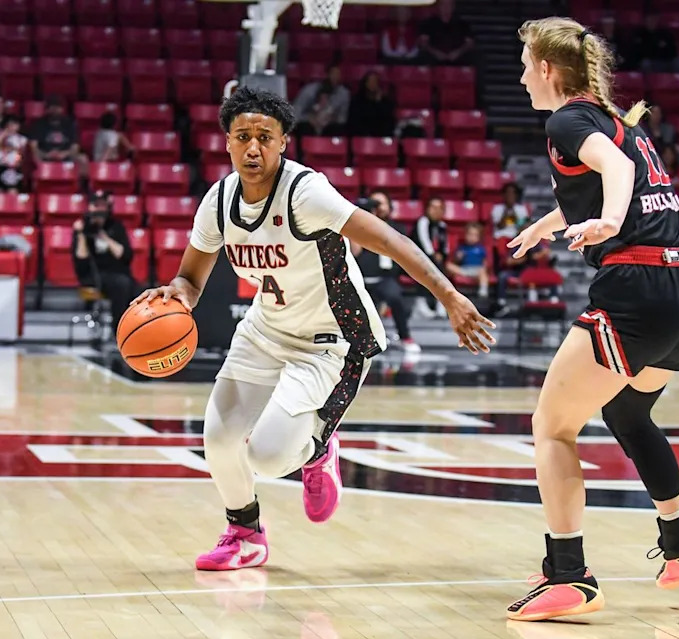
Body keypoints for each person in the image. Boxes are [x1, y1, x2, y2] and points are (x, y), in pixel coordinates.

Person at [131, 86, 494, 572]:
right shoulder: (218, 201)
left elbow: (389, 240)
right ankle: (245, 534)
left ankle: (319, 447)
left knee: (266, 456)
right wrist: (176, 295)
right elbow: (191, 278)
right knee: (217, 438)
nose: (253, 147)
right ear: (228, 142)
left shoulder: (306, 193)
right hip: (265, 329)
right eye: (243, 136)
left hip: (331, 339)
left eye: (265, 136)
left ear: (283, 143)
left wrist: (449, 295)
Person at [505, 17, 679, 622]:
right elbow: (606, 180)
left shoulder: (567, 120)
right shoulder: (615, 121)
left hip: (639, 291)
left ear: (548, 69)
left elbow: (617, 180)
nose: (521, 77)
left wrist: (607, 223)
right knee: (626, 410)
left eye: (525, 65)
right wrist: (547, 225)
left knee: (551, 425)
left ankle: (568, 574)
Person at [351, 192, 419, 353]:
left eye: (381, 204)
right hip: (361, 278)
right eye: (374, 204)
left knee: (394, 296)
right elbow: (355, 252)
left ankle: (405, 337)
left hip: (385, 278)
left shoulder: (397, 229)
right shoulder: (359, 226)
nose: (378, 208)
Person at [72, 190, 136, 336]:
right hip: (93, 275)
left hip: (117, 272)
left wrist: (104, 236)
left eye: (102, 206)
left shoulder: (116, 226)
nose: (99, 211)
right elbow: (81, 263)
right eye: (96, 206)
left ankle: (133, 330)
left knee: (133, 286)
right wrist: (82, 234)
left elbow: (126, 256)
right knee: (122, 284)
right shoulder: (83, 228)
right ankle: (119, 332)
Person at [412, 197, 449, 318]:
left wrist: (441, 255)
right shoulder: (422, 222)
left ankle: (442, 303)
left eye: (439, 208)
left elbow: (445, 247)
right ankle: (420, 304)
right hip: (414, 258)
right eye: (433, 207)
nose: (435, 211)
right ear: (427, 209)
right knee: (428, 268)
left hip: (434, 260)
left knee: (442, 268)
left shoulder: (442, 226)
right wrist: (434, 255)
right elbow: (424, 244)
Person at [292, 65, 350, 136]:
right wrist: (309, 119)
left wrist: (332, 120)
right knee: (304, 128)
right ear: (326, 75)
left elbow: (342, 119)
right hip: (309, 124)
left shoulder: (343, 94)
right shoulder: (309, 90)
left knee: (338, 129)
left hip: (329, 126)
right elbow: (295, 113)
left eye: (338, 74)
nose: (335, 77)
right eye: (333, 74)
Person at [418, 0, 474, 65]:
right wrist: (435, 52)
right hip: (434, 57)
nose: (446, 8)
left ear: (453, 7)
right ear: (438, 6)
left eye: (449, 5)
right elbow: (423, 43)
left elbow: (470, 43)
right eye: (443, 5)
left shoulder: (463, 24)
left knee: (474, 57)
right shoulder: (428, 23)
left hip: (457, 57)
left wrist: (458, 52)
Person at [446, 222, 490, 298]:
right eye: (470, 234)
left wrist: (484, 268)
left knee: (483, 272)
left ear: (479, 237)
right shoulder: (462, 247)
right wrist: (458, 257)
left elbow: (485, 261)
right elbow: (456, 261)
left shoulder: (480, 249)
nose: (472, 237)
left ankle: (483, 291)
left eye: (475, 235)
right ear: (465, 235)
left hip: (476, 271)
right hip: (464, 270)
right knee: (448, 266)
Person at [347, 72, 396, 137]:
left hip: (380, 135)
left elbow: (388, 121)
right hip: (362, 135)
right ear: (365, 83)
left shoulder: (385, 102)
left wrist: (378, 103)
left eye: (375, 81)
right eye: (370, 81)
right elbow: (354, 122)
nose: (373, 84)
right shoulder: (357, 100)